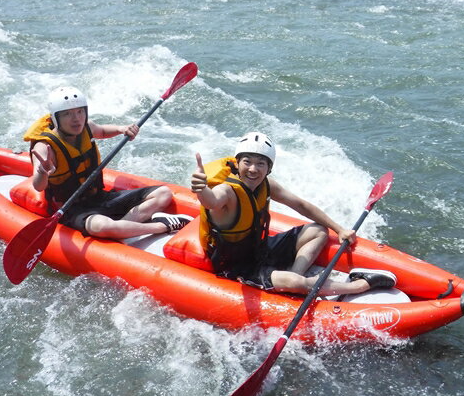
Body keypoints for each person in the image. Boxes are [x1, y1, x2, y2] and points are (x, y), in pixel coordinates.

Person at [190, 131, 396, 296]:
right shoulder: (227, 192)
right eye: (247, 162)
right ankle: (360, 285)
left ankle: (293, 275)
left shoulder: (266, 184)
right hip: (236, 266)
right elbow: (212, 201)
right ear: (237, 163)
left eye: (260, 163)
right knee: (296, 283)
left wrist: (339, 229)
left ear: (269, 168)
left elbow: (300, 205)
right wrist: (201, 189)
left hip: (259, 249)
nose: (253, 169)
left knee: (318, 231)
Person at [24, 86, 189, 239]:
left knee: (163, 194)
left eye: (80, 111)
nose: (76, 119)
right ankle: (162, 226)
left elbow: (102, 131)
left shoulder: (86, 127)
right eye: (68, 114)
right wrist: (42, 171)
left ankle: (123, 226)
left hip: (100, 197)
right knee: (102, 227)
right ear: (56, 118)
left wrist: (121, 129)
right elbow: (38, 186)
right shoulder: (44, 147)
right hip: (72, 210)